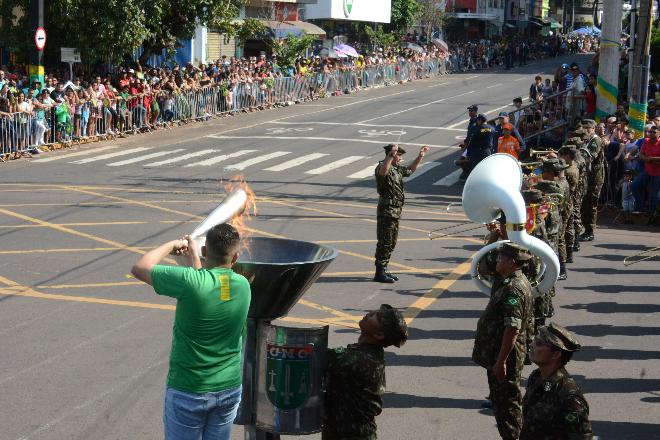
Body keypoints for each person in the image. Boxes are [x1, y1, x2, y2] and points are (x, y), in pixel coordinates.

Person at [131, 223, 251, 440]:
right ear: (235, 258)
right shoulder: (242, 285)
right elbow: (210, 286)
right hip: (228, 390)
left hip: (189, 391)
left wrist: (173, 245)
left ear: (206, 252)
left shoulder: (190, 282)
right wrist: (194, 256)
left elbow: (140, 268)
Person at [472, 242, 534, 440]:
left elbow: (512, 329)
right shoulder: (508, 279)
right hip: (499, 352)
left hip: (505, 355)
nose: (497, 261)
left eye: (501, 258)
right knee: (504, 403)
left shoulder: (513, 289)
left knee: (507, 406)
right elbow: (484, 265)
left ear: (513, 263)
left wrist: (501, 362)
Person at [323, 304, 408, 440]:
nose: (370, 313)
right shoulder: (368, 354)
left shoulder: (357, 359)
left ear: (379, 334)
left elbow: (316, 357)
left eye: (376, 316)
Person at [520, 323, 593, 439]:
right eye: (535, 340)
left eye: (539, 343)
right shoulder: (537, 377)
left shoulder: (569, 397)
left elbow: (582, 437)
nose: (531, 344)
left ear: (556, 354)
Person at [374, 144, 429, 283]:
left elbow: (410, 170)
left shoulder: (397, 170)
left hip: (395, 212)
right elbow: (383, 172)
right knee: (385, 242)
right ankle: (379, 272)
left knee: (391, 242)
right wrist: (390, 156)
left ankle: (384, 269)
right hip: (387, 212)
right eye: (398, 155)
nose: (400, 158)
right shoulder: (383, 167)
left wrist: (420, 156)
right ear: (391, 155)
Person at [579, 119, 604, 241]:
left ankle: (590, 231)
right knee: (585, 203)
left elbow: (591, 156)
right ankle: (586, 229)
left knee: (591, 204)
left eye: (588, 128)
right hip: (587, 176)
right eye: (584, 128)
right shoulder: (585, 140)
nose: (586, 130)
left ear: (593, 129)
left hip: (595, 177)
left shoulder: (596, 140)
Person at [456, 104, 480, 179]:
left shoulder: (478, 122)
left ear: (476, 112)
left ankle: (469, 174)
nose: (469, 112)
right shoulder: (471, 121)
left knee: (466, 161)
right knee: (459, 161)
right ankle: (467, 172)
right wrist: (464, 144)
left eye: (471, 111)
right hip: (469, 146)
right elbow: (469, 135)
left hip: (475, 147)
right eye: (469, 111)